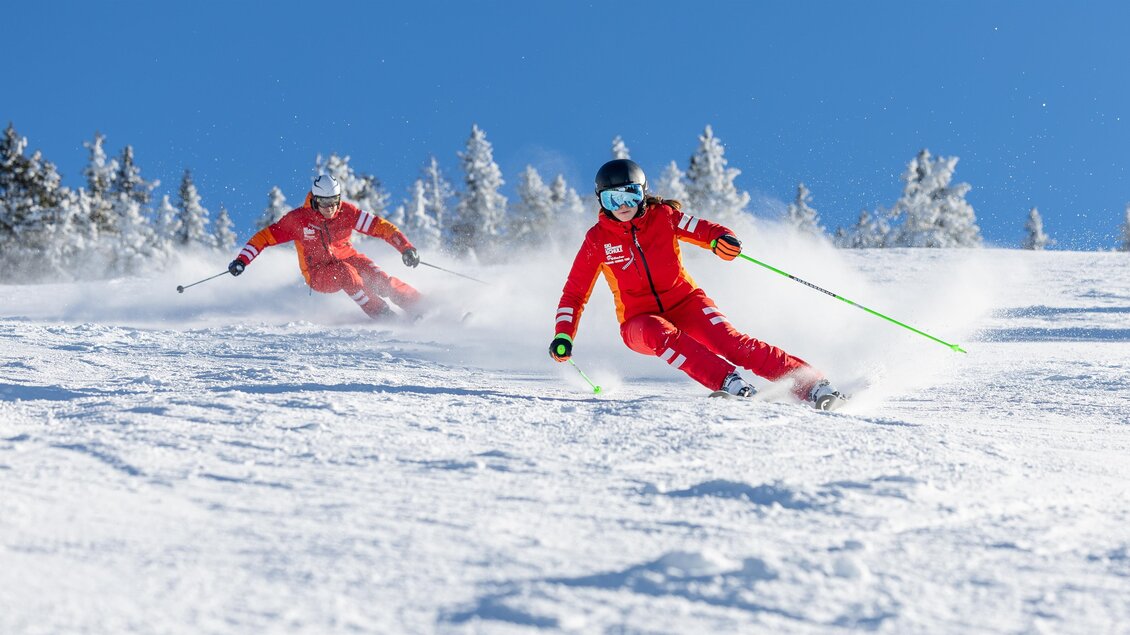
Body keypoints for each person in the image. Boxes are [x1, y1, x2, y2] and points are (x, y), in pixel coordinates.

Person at [549, 159, 846, 410]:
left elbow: (703, 229)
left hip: (687, 303)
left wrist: (721, 240)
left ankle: (812, 384)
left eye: (630, 195)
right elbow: (574, 293)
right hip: (638, 322)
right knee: (659, 332)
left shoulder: (663, 217)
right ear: (601, 201)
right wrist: (564, 335)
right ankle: (728, 383)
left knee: (732, 343)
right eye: (613, 199)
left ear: (643, 194)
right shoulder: (597, 240)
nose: (623, 205)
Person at [228, 174, 422, 320]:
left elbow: (380, 227)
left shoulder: (347, 212)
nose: (330, 208)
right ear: (314, 200)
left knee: (380, 279)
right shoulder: (298, 220)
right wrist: (241, 260)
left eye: (333, 202)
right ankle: (383, 314)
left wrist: (406, 248)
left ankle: (420, 305)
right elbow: (264, 238)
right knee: (346, 274)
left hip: (349, 257)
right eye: (324, 202)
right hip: (318, 273)